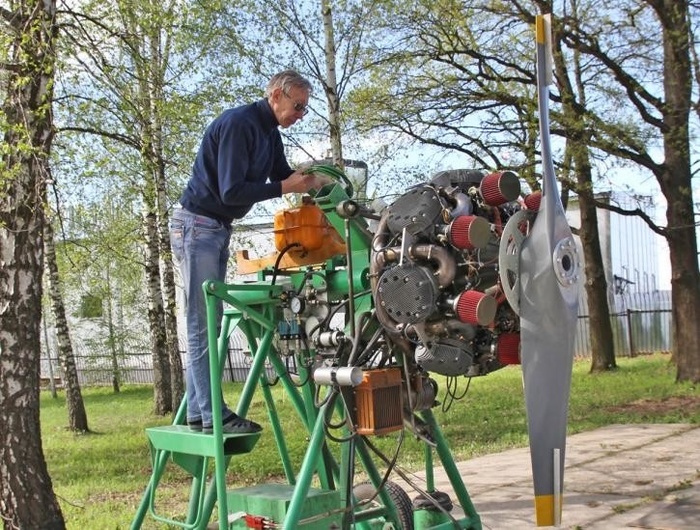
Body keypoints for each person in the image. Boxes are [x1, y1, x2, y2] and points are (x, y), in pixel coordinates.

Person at [170, 70, 331, 434]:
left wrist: (313, 178)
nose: (300, 115)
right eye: (297, 106)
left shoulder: (269, 133)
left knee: (206, 322)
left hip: (215, 228)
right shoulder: (239, 123)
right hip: (197, 225)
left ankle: (199, 412)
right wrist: (282, 187)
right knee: (201, 323)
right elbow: (232, 192)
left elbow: (282, 175)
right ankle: (212, 416)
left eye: (305, 109)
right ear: (276, 95)